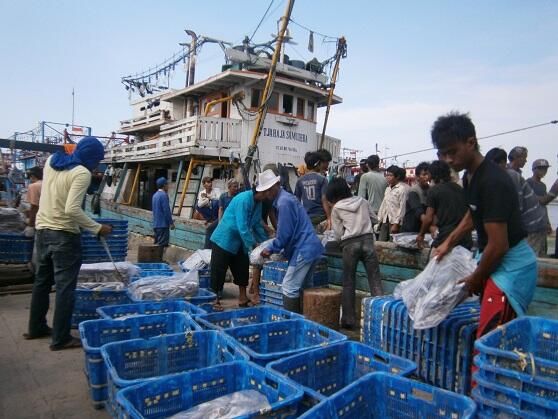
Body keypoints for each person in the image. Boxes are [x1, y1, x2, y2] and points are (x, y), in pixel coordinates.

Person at [431, 112, 537, 341]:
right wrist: (448, 243)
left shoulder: (493, 181)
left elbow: (499, 246)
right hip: (494, 263)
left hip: (510, 268)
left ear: (471, 142)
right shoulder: (470, 177)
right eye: (442, 153)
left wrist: (475, 279)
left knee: (493, 344)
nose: (448, 160)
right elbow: (473, 214)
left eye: (453, 152)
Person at [25, 137, 113, 350]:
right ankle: (61, 338)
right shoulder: (81, 173)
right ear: (91, 157)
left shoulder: (51, 162)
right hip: (64, 236)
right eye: (96, 159)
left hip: (43, 232)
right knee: (65, 288)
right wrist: (97, 228)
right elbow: (72, 209)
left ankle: (36, 327)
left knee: (42, 282)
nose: (96, 164)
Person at [260, 169, 324, 313]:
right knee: (304, 286)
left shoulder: (284, 202)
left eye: (269, 190)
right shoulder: (287, 199)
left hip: (303, 248)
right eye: (266, 191)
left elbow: (284, 234)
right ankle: (306, 319)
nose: (268, 193)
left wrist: (270, 248)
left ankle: (293, 321)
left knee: (289, 287)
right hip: (310, 246)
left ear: (277, 184)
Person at [326, 177, 382, 329]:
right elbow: (375, 220)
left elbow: (337, 234)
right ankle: (383, 316)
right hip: (368, 242)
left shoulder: (337, 208)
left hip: (349, 245)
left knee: (349, 282)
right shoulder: (363, 201)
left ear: (334, 196)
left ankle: (349, 320)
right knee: (375, 279)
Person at [209, 178, 269, 311]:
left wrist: (266, 243)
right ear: (262, 191)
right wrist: (253, 245)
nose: (269, 195)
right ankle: (215, 299)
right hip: (224, 239)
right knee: (218, 270)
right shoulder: (244, 199)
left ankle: (243, 297)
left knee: (242, 268)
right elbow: (242, 226)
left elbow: (257, 224)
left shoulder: (258, 203)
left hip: (240, 241)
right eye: (268, 192)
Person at [486, 148, 549, 257]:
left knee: (530, 257)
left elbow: (516, 206)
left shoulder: (511, 176)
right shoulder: (509, 175)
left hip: (532, 225)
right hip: (530, 223)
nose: (525, 160)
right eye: (523, 157)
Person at [416, 160, 472, 250]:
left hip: (446, 237)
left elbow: (428, 218)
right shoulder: (460, 189)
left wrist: (421, 234)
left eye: (428, 174)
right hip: (465, 238)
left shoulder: (434, 191)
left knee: (434, 260)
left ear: (433, 174)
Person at [527, 159, 558, 255]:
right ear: (534, 169)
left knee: (542, 250)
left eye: (545, 169)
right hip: (532, 225)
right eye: (541, 169)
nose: (544, 172)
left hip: (542, 223)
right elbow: (534, 201)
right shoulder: (528, 183)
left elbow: (543, 206)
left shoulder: (543, 186)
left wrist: (548, 223)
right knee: (532, 251)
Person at [294, 152, 329, 227]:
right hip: (321, 217)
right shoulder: (322, 179)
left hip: (307, 218)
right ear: (318, 164)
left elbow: (297, 201)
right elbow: (324, 199)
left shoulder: (300, 180)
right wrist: (329, 217)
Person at [204, 179, 239, 249]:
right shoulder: (223, 196)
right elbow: (221, 209)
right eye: (234, 187)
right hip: (223, 218)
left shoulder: (238, 197)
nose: (236, 188)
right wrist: (220, 222)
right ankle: (207, 249)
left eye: (237, 187)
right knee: (209, 229)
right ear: (229, 187)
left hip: (234, 219)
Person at [377, 165, 407, 241]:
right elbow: (384, 205)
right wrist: (379, 219)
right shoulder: (387, 189)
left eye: (390, 175)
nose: (387, 177)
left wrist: (396, 224)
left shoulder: (401, 189)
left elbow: (402, 208)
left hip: (394, 222)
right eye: (387, 175)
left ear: (397, 176)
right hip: (385, 220)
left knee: (393, 243)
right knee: (381, 241)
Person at [402, 162, 430, 233]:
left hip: (424, 228)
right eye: (424, 174)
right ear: (417, 177)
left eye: (428, 174)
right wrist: (430, 226)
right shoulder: (413, 191)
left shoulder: (431, 190)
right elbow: (418, 211)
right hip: (411, 229)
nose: (427, 177)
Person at [152, 177, 175, 247]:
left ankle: (155, 258)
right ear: (164, 185)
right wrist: (171, 223)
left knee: (157, 245)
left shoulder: (155, 195)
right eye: (167, 185)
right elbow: (166, 210)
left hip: (156, 224)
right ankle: (158, 258)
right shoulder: (164, 195)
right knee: (161, 246)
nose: (168, 186)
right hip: (163, 225)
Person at [25, 166, 43, 231]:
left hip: (39, 222)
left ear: (32, 176)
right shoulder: (46, 184)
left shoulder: (34, 186)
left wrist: (30, 225)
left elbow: (34, 207)